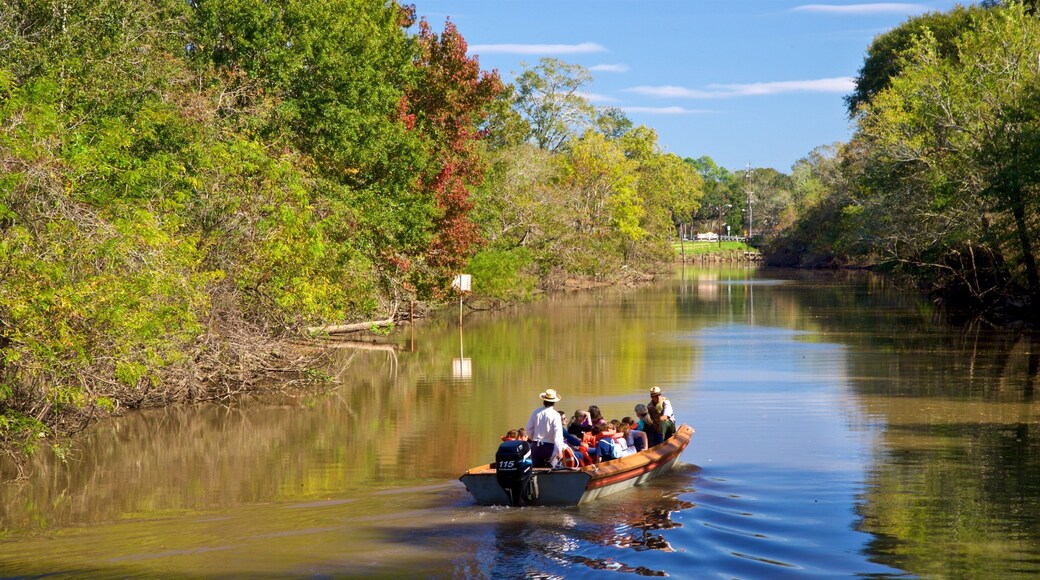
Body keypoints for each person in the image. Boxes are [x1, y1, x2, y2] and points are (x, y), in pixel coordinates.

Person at [525, 389, 566, 468]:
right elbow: (558, 434)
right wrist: (560, 450)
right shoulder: (555, 415)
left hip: (536, 445)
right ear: (554, 402)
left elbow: (528, 429)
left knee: (537, 468)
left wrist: (534, 438)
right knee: (550, 468)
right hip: (549, 446)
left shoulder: (536, 412)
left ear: (544, 400)